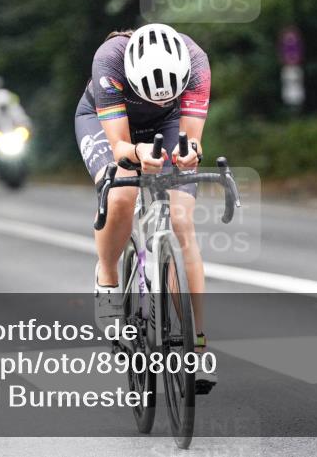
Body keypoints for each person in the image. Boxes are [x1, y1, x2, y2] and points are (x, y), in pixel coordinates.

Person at [74, 23, 215, 391]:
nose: (157, 100)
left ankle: (198, 345)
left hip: (168, 124)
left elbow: (192, 139)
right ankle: (107, 277)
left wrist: (189, 153)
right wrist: (137, 153)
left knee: (181, 222)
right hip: (105, 121)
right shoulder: (109, 60)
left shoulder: (196, 62)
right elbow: (121, 146)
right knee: (122, 195)